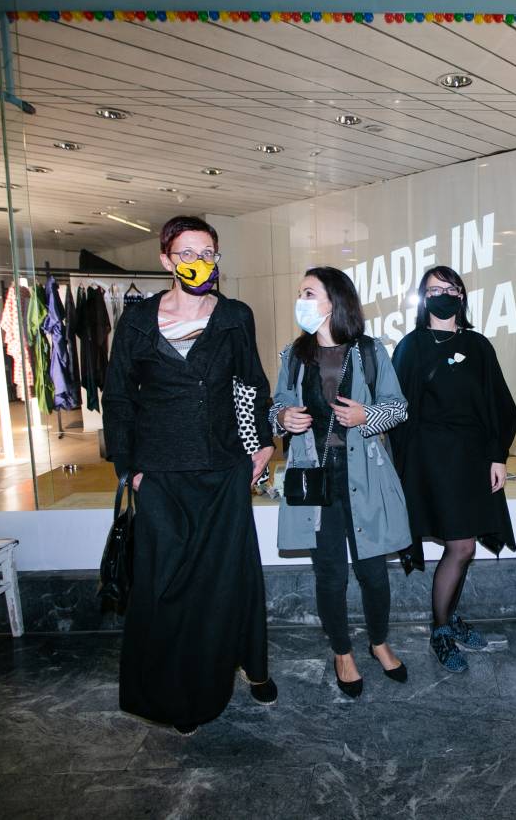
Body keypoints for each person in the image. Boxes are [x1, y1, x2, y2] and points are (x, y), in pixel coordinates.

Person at [104, 215, 277, 736]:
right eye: (186, 253)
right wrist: (130, 470)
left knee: (228, 579)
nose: (198, 262)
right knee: (166, 586)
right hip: (160, 475)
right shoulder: (137, 321)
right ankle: (176, 692)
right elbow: (118, 399)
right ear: (166, 260)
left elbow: (251, 384)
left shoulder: (235, 316)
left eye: (207, 253)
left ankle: (247, 666)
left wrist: (262, 444)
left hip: (222, 469)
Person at [269, 267, 411, 698]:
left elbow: (398, 407)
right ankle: (342, 652)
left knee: (374, 572)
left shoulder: (369, 350)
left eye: (309, 293)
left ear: (334, 300)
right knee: (329, 573)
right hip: (315, 478)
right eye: (301, 293)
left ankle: (379, 642)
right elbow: (277, 406)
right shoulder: (294, 354)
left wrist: (367, 415)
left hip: (364, 474)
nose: (301, 300)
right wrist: (283, 417)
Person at [390, 266, 516, 673]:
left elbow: (499, 404)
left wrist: (497, 456)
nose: (443, 295)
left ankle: (449, 618)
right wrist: (404, 471)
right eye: (434, 289)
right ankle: (440, 630)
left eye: (450, 288)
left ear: (462, 296)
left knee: (464, 547)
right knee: (461, 546)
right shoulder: (410, 346)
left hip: (472, 459)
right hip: (430, 461)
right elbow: (396, 410)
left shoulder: (478, 345)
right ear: (423, 297)